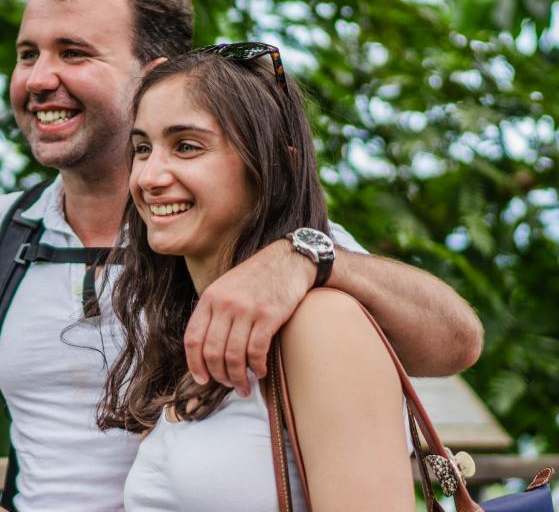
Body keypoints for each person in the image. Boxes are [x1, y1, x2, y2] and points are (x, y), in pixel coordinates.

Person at [0, 0, 482, 510]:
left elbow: (455, 340)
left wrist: (308, 256)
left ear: (156, 75)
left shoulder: (285, 264)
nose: (37, 78)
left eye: (74, 52)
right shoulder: (9, 236)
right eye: (28, 53)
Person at [101, 43, 412, 510]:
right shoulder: (199, 328)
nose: (149, 176)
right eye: (143, 148)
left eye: (186, 146)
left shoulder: (322, 322)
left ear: (269, 166)